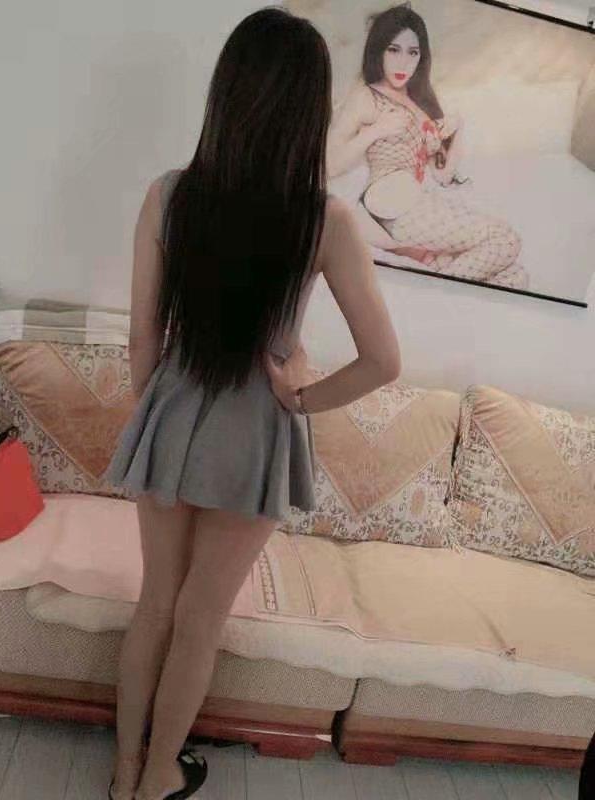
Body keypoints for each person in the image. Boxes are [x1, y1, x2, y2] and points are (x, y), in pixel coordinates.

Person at [102, 7, 401, 800]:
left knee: (154, 607)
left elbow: (141, 336)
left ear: (227, 92)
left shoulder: (170, 195)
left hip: (172, 410)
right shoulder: (324, 220)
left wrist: (157, 413)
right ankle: (160, 776)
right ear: (308, 109)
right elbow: (383, 361)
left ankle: (122, 774)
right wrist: (301, 395)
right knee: (200, 618)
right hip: (256, 430)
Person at [327, 3, 530, 290]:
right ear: (378, 50)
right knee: (505, 239)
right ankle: (439, 287)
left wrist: (458, 129)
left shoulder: (420, 103)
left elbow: (443, 175)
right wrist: (376, 130)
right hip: (391, 203)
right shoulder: (367, 97)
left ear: (422, 57)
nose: (403, 63)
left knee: (516, 277)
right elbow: (331, 164)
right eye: (393, 50)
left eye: (413, 52)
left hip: (421, 201)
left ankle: (438, 288)